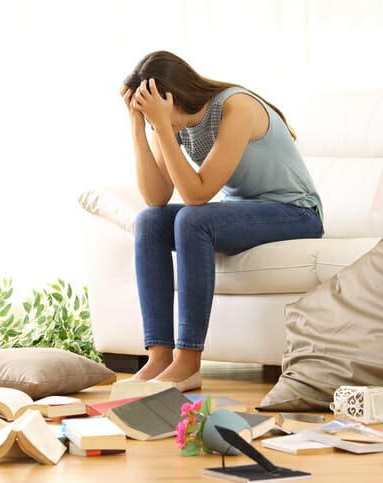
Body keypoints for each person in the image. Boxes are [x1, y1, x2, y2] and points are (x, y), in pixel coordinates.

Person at [119, 51, 323, 392]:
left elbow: (197, 196)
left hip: (295, 213)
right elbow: (156, 197)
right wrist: (141, 129)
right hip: (243, 213)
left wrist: (164, 128)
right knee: (150, 221)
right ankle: (159, 356)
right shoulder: (175, 125)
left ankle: (188, 364)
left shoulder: (236, 107)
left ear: (173, 97)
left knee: (192, 220)